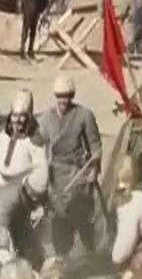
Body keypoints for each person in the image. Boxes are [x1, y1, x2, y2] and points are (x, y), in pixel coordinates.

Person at [39, 74, 105, 257]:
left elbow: (96, 146)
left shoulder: (84, 115)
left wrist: (94, 169)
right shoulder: (46, 119)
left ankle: (90, 254)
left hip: (78, 172)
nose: (63, 100)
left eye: (66, 96)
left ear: (72, 96)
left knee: (81, 212)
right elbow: (39, 148)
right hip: (55, 175)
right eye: (60, 96)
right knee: (59, 217)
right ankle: (61, 254)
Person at [0, 90, 51, 255]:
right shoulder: (1, 133)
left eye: (22, 116)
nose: (17, 121)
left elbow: (42, 177)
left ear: (29, 116)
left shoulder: (37, 140)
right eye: (15, 115)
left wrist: (28, 191)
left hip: (23, 191)